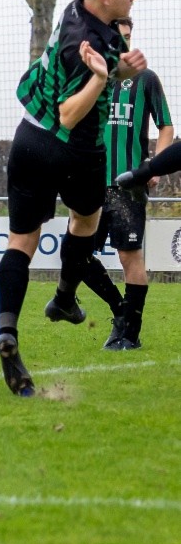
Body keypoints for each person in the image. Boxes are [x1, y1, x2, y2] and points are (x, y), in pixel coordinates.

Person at [0, 0, 145, 397]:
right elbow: (68, 113)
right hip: (72, 149)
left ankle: (7, 333)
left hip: (27, 138)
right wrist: (103, 78)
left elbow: (95, 66)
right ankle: (63, 296)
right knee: (86, 220)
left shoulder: (76, 8)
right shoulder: (87, 45)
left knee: (21, 242)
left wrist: (120, 68)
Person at [93, 18, 172, 350]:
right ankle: (120, 310)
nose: (122, 43)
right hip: (92, 185)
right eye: (116, 38)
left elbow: (166, 126)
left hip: (128, 186)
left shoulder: (145, 79)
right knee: (76, 256)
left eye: (127, 37)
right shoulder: (92, 79)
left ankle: (130, 334)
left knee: (129, 258)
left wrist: (156, 164)